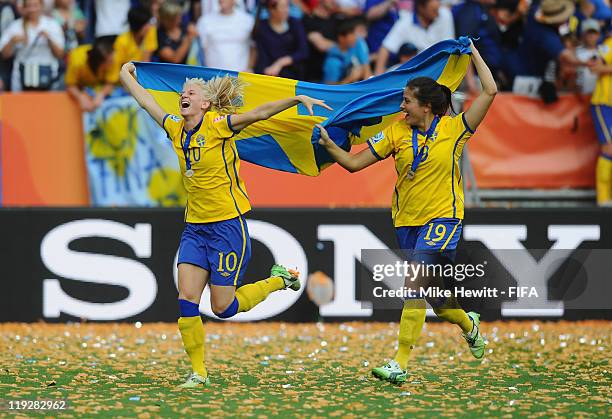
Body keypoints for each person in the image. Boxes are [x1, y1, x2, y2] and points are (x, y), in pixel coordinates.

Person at [119, 61, 332, 388]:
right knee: (186, 301)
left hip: (226, 228)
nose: (183, 95)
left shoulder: (219, 125)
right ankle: (198, 373)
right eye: (182, 92)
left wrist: (296, 99)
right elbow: (146, 101)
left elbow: (259, 113)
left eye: (190, 92)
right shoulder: (175, 127)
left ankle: (278, 279)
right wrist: (125, 73)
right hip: (194, 228)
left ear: (205, 104)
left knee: (224, 307)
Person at [317, 41, 496, 384]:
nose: (401, 107)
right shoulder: (397, 132)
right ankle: (468, 324)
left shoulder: (454, 129)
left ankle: (399, 362)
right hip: (406, 222)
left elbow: (490, 90)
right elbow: (355, 164)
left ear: (426, 107)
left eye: (406, 101)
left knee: (413, 282)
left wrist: (474, 51)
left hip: (444, 218)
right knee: (437, 300)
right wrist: (328, 145)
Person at [374, 0, 454, 74]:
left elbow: (450, 47)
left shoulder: (445, 15)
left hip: (439, 69)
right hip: (414, 71)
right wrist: (377, 79)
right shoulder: (405, 22)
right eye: (434, 10)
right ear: (421, 8)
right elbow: (385, 49)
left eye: (438, 8)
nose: (437, 14)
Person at [0, 0, 64, 92]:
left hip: (48, 75)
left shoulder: (52, 25)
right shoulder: (15, 26)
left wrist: (49, 39)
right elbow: (4, 55)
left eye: (35, 5)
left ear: (42, 6)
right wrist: (12, 42)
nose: (32, 9)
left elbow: (60, 54)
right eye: (29, 6)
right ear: (24, 8)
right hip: (21, 76)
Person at [252, 0, 309, 79]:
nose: (287, 10)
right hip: (270, 74)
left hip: (294, 75)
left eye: (287, 6)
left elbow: (303, 51)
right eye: (282, 7)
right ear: (271, 10)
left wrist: (280, 63)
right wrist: (265, 71)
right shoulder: (262, 27)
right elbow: (262, 55)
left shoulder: (295, 23)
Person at [197, 0, 254, 71]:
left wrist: (250, 68)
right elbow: (202, 50)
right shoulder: (204, 21)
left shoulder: (248, 20)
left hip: (240, 77)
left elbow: (253, 48)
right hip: (214, 77)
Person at [590, 33, 612, 205]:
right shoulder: (608, 45)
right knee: (609, 148)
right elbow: (594, 67)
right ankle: (603, 200)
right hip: (604, 103)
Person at [65, 38, 116, 112]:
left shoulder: (113, 57)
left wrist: (101, 94)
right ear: (100, 64)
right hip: (81, 87)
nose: (113, 62)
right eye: (110, 61)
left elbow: (111, 82)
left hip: (98, 87)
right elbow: (70, 85)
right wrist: (80, 97)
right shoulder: (77, 62)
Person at [322, 18, 371, 83]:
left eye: (354, 33)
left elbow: (366, 68)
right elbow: (329, 89)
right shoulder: (333, 61)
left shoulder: (357, 44)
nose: (355, 37)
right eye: (351, 34)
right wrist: (350, 78)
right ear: (341, 38)